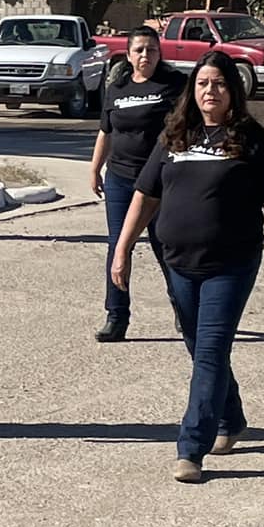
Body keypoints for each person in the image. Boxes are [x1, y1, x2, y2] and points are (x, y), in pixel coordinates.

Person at [112, 50, 264, 485]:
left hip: (231, 264)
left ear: (233, 90)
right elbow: (145, 197)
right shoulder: (175, 135)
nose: (209, 91)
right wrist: (122, 248)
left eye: (218, 83)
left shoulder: (254, 139)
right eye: (202, 83)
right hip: (178, 262)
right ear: (192, 90)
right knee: (201, 350)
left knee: (211, 350)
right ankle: (231, 419)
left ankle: (190, 447)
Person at [89, 26, 181, 342]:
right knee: (119, 246)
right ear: (128, 55)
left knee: (166, 246)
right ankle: (117, 316)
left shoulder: (174, 86)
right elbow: (106, 131)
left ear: (160, 53)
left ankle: (183, 308)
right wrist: (95, 168)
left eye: (151, 49)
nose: (145, 55)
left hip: (159, 181)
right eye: (139, 50)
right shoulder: (117, 88)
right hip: (120, 180)